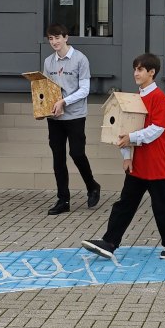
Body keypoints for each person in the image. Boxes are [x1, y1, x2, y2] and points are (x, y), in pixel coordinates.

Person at [81, 54, 165, 262]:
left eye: (140, 69)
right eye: (135, 69)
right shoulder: (135, 98)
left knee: (161, 205)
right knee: (125, 203)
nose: (136, 73)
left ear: (152, 72)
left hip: (158, 163)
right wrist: (127, 156)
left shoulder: (159, 98)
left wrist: (132, 138)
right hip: (138, 162)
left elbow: (157, 129)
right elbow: (125, 128)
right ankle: (110, 242)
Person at [42, 24, 102, 216]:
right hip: (55, 117)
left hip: (75, 115)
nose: (54, 42)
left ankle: (92, 186)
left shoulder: (80, 59)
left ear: (66, 37)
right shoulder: (48, 62)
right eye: (51, 39)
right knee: (58, 157)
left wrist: (64, 102)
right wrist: (44, 107)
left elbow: (85, 90)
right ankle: (63, 200)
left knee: (77, 153)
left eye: (57, 38)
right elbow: (46, 88)